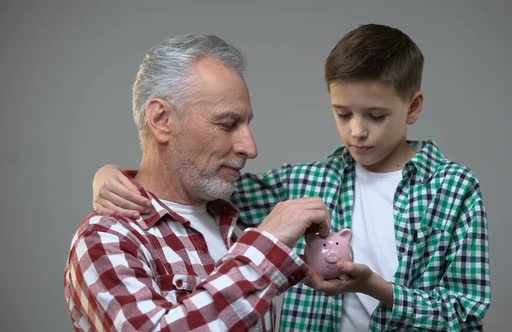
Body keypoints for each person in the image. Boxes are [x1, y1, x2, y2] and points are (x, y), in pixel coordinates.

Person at [92, 24, 491, 331]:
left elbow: (466, 313)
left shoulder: (453, 189)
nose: (357, 131)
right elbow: (197, 183)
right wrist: (111, 175)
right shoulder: (301, 184)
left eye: (376, 116)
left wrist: (373, 286)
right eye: (343, 114)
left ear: (413, 106)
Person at [64, 34, 332, 332]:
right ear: (162, 119)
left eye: (247, 124)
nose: (251, 148)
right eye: (227, 124)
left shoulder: (241, 216)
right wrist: (265, 249)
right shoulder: (106, 238)